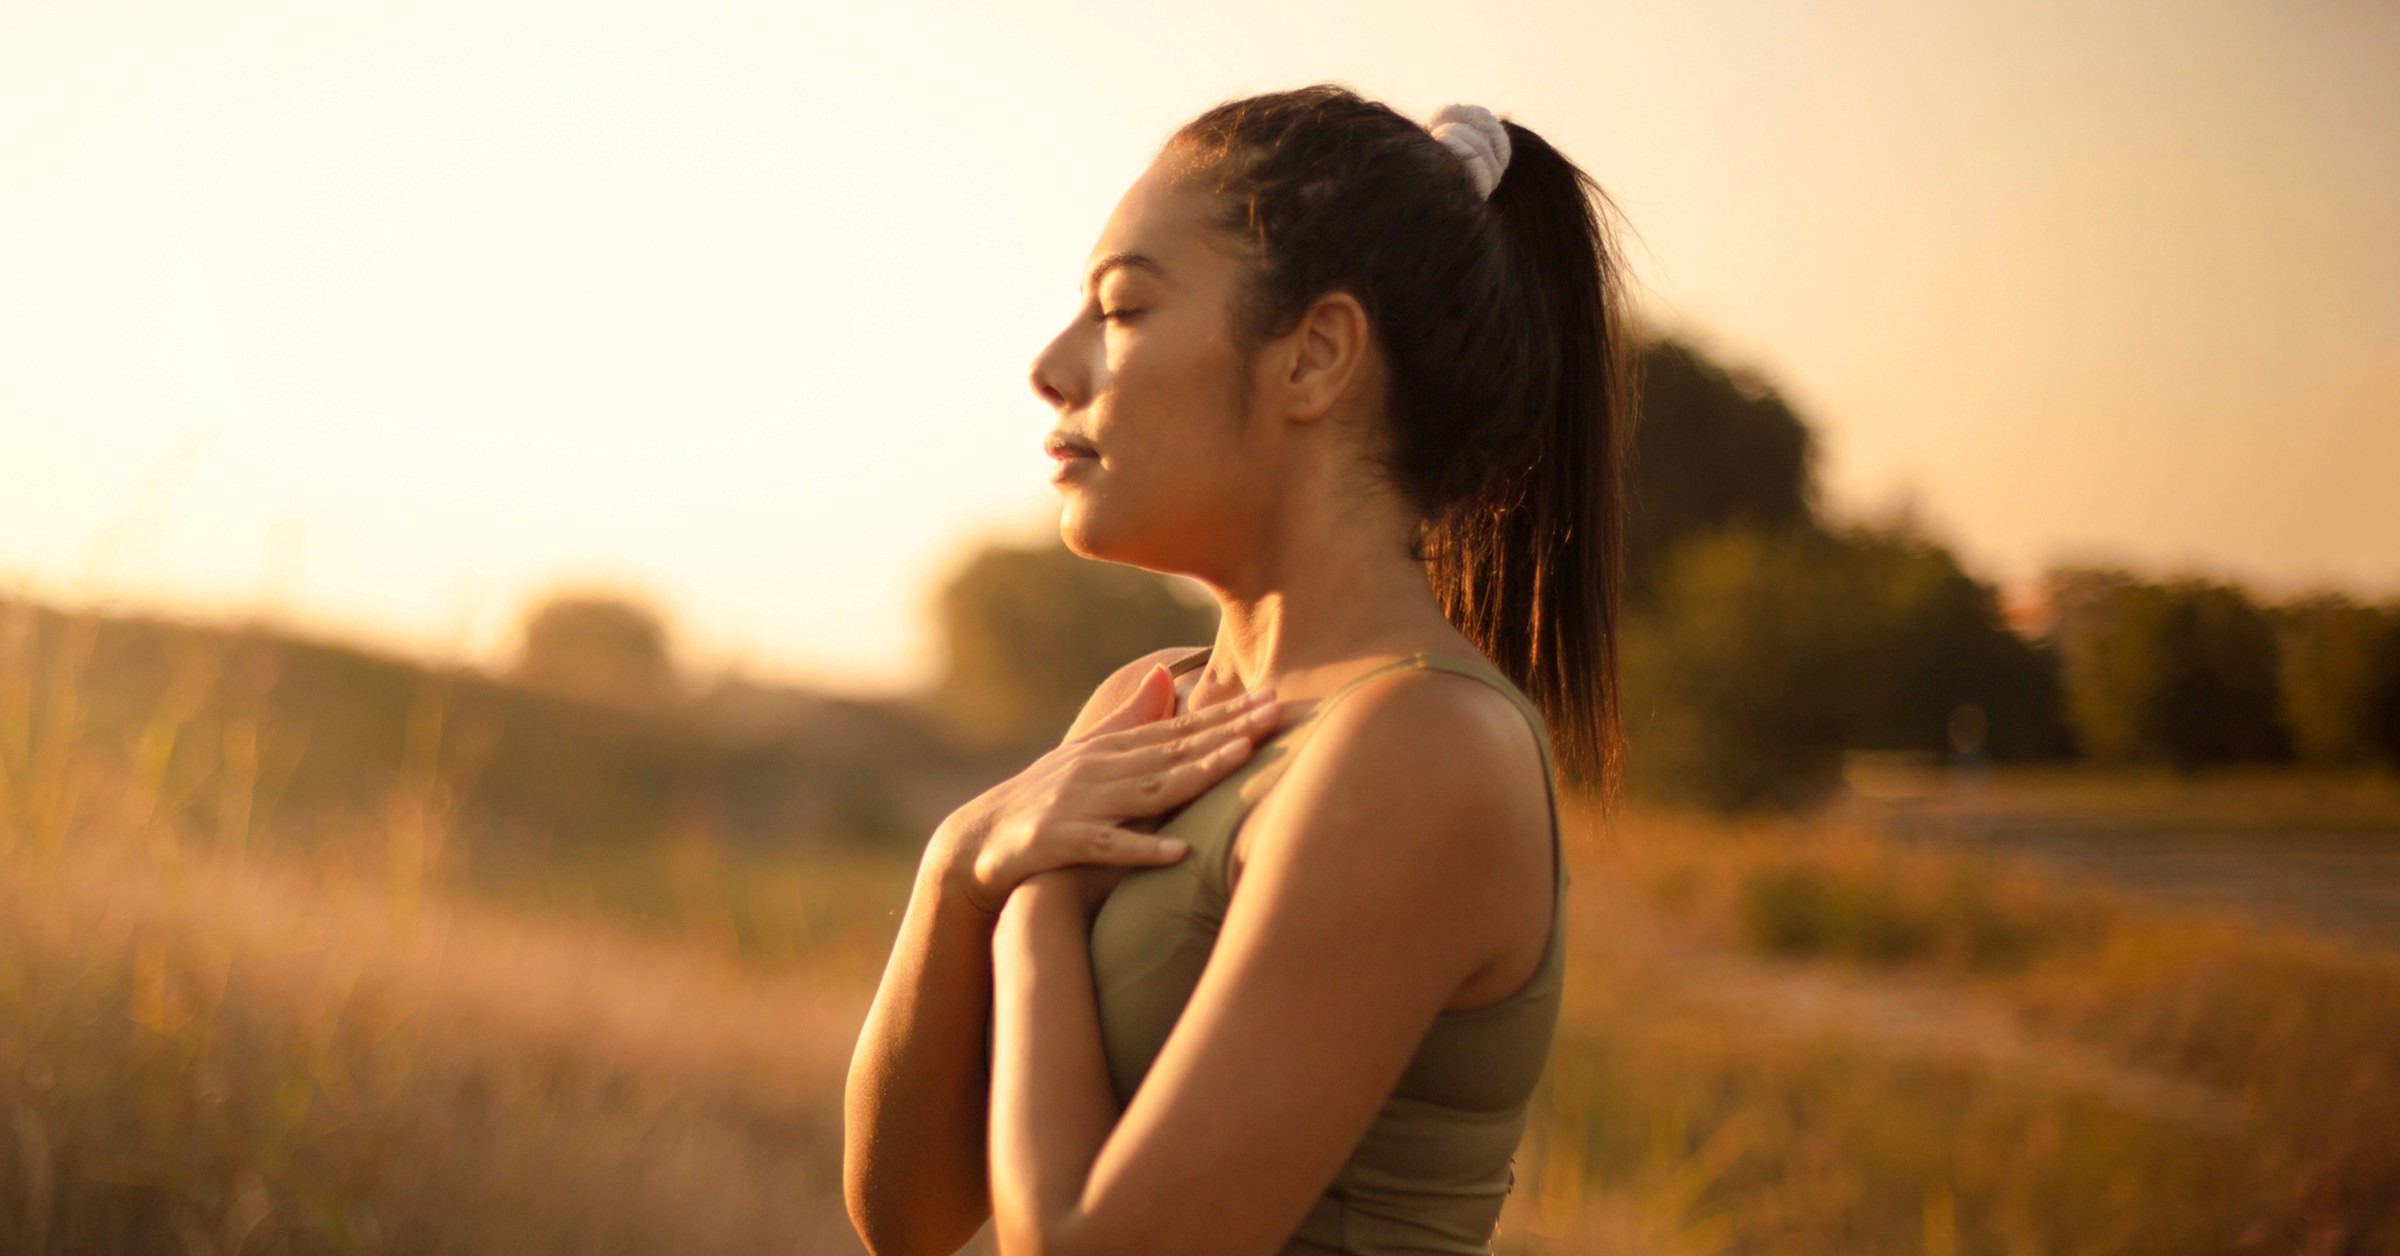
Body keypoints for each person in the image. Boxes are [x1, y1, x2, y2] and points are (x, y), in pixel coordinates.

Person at [843, 83, 1637, 1256]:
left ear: (1314, 356)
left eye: (1122, 309)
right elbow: (907, 1219)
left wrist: (1032, 901)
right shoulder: (1146, 705)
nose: (1051, 368)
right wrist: (960, 864)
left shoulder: (1420, 743)